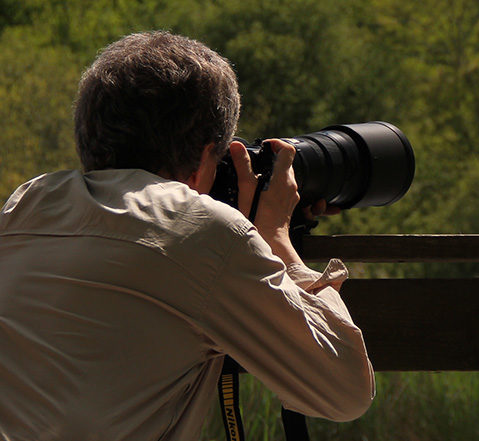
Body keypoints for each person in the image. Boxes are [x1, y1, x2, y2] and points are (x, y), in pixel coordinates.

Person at [0, 31, 374, 440]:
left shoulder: (23, 208)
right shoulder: (203, 235)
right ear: (201, 160)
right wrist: (276, 237)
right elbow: (345, 393)